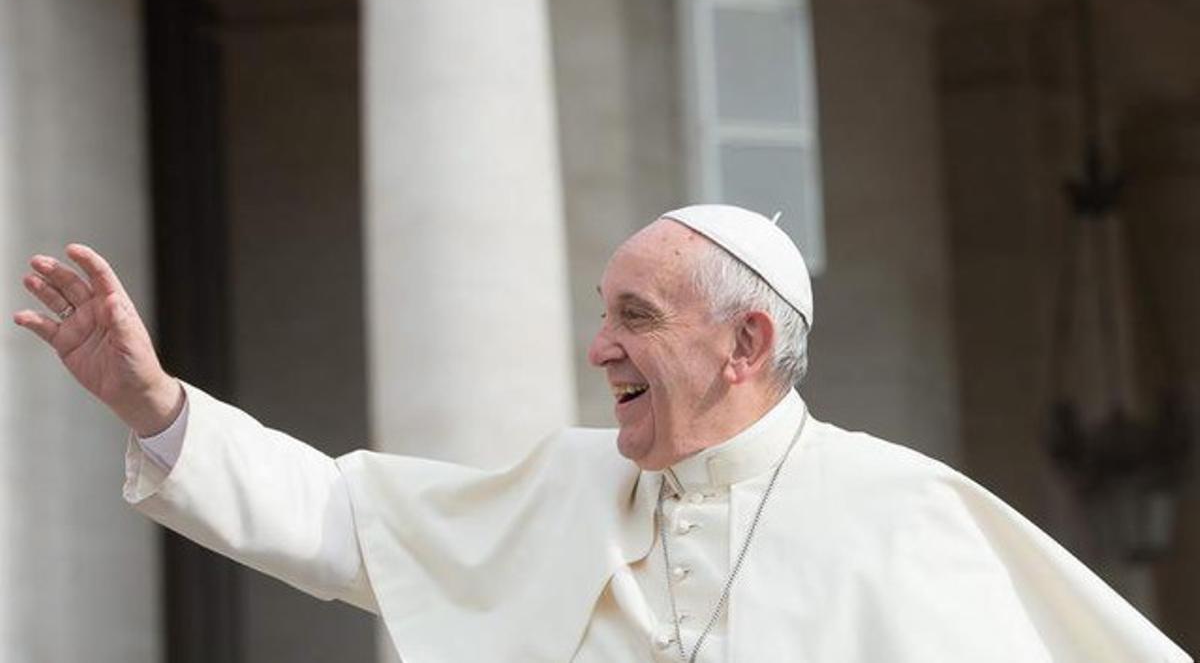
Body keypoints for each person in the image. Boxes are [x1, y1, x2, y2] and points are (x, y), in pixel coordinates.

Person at [13, 205, 1192, 662]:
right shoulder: (565, 484)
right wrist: (150, 401)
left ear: (743, 347)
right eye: (602, 317)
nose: (598, 351)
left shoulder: (903, 514)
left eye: (635, 318)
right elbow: (338, 520)